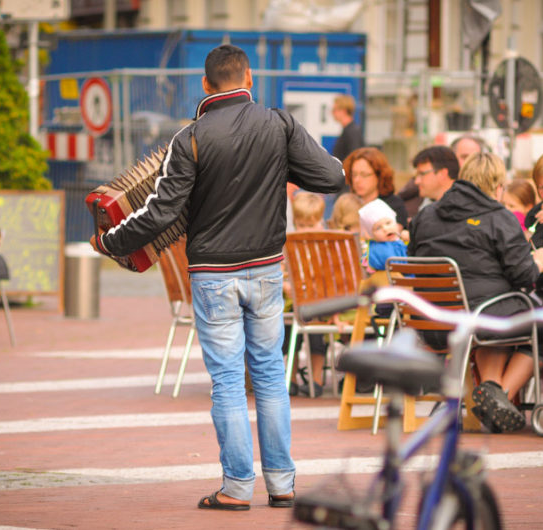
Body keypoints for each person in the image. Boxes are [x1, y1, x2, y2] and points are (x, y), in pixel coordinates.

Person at [92, 44, 344, 510]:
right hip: (268, 269)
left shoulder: (188, 138)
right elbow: (332, 177)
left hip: (213, 274)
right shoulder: (279, 124)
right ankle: (283, 484)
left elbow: (159, 213)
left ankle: (236, 488)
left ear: (205, 85)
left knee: (228, 380)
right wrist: (283, 160)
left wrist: (110, 242)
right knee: (270, 374)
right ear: (249, 76)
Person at [408, 152, 543, 433]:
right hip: (481, 319)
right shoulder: (499, 218)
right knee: (540, 327)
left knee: (494, 318)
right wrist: (539, 262)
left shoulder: (426, 215)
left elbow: (413, 260)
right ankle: (500, 397)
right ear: (498, 186)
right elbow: (523, 276)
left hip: (431, 321)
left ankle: (493, 396)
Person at [283, 192, 329, 397]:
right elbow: (282, 271)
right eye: (300, 226)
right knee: (288, 324)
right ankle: (291, 376)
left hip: (319, 302)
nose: (304, 231)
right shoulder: (290, 244)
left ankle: (316, 379)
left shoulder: (327, 245)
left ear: (320, 222)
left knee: (315, 327)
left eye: (310, 225)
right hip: (294, 302)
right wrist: (285, 286)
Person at [343, 147, 408, 229]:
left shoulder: (393, 206)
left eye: (364, 175)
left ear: (379, 176)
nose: (357, 180)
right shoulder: (347, 203)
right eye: (354, 175)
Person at [324, 94, 363, 218]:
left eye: (335, 110)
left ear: (344, 110)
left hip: (346, 187)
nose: (332, 113)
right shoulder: (349, 130)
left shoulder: (352, 131)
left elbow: (354, 158)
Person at [358, 198, 407, 273]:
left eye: (388, 223)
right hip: (397, 282)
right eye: (378, 228)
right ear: (372, 234)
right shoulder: (380, 249)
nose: (385, 228)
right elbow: (401, 268)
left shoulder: (396, 242)